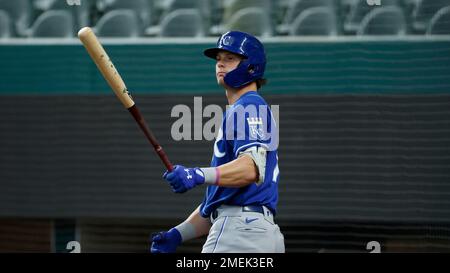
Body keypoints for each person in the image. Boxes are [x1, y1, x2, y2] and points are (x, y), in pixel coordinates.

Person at [150, 31, 284, 253]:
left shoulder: (249, 105)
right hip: (257, 232)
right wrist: (178, 234)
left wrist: (197, 174)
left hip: (241, 232)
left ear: (251, 66)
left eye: (230, 58)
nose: (220, 64)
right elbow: (220, 204)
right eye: (219, 59)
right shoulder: (248, 108)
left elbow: (251, 168)